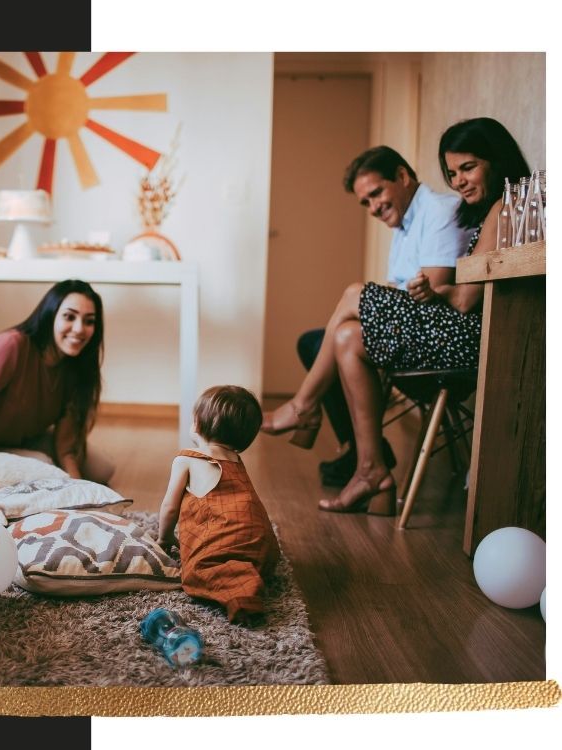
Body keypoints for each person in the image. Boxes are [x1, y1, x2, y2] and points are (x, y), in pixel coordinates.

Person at [261, 118, 531, 515]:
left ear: (496, 159)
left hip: (464, 341)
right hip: (451, 331)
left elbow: (465, 300)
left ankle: (303, 407)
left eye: (468, 168)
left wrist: (435, 291)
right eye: (453, 173)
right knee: (345, 338)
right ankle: (373, 472)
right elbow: (460, 291)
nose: (458, 182)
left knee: (355, 294)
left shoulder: (504, 208)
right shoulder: (487, 211)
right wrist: (436, 292)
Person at [296, 145, 474, 487]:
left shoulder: (439, 210)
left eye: (376, 193)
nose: (374, 207)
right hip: (412, 328)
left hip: (434, 336)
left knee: (345, 315)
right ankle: (358, 449)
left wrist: (374, 298)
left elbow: (430, 294)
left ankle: (307, 409)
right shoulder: (403, 227)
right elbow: (400, 287)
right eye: (365, 202)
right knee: (317, 340)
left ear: (403, 177)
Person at [0, 279, 114, 483]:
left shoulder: (76, 365)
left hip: (13, 439)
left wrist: (80, 490)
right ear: (50, 315)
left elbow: (65, 448)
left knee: (102, 469)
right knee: (45, 466)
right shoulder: (11, 345)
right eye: (69, 317)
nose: (79, 329)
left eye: (89, 321)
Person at [156, 385, 279, 625]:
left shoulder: (187, 459)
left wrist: (164, 537)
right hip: (263, 543)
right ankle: (250, 573)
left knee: (205, 568)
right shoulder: (236, 460)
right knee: (241, 561)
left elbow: (169, 507)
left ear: (198, 424)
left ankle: (243, 598)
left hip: (225, 540)